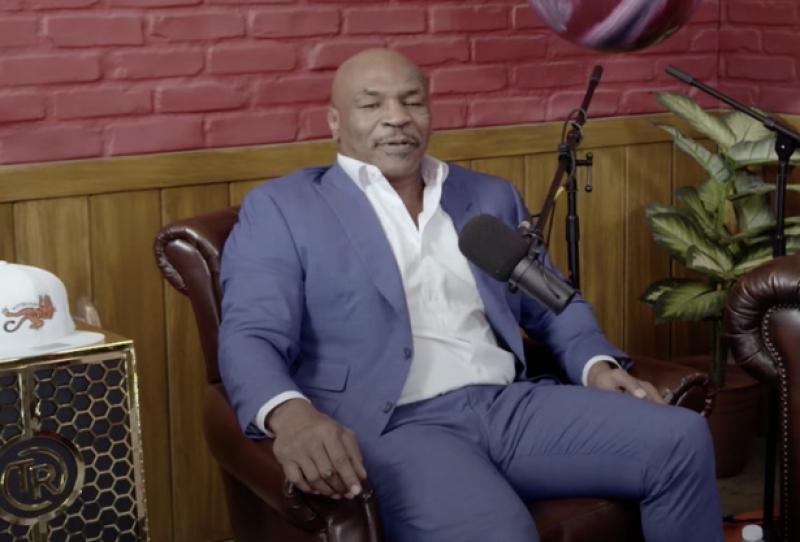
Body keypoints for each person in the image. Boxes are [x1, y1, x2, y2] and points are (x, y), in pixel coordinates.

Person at [218, 47, 724, 542]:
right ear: (335, 123)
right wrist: (291, 416)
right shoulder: (283, 208)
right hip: (395, 426)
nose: (397, 117)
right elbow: (250, 334)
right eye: (371, 104)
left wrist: (596, 365)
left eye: (412, 101)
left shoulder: (488, 196)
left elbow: (554, 303)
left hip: (508, 406)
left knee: (679, 438)